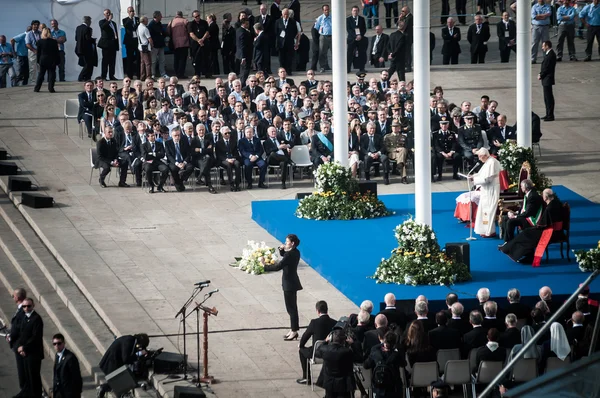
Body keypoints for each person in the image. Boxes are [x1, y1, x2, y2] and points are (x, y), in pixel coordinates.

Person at [500, 188, 563, 264]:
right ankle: (525, 255)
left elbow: (543, 224)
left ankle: (524, 255)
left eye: (542, 195)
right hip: (556, 231)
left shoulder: (549, 208)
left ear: (545, 197)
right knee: (527, 232)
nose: (542, 197)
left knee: (526, 234)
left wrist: (536, 227)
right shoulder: (557, 203)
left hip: (551, 233)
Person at [264, 234, 302, 340]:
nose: (285, 243)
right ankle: (293, 329)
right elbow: (285, 256)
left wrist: (265, 267)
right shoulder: (295, 252)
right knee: (291, 308)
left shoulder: (290, 255)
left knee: (291, 308)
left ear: (292, 243)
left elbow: (278, 266)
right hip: (292, 282)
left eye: (287, 242)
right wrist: (281, 250)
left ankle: (294, 331)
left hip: (289, 284)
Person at [297, 300, 337, 385]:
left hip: (317, 353)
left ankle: (306, 377)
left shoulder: (314, 322)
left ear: (317, 311)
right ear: (327, 310)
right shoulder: (334, 323)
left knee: (301, 350)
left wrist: (301, 345)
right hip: (332, 352)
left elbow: (305, 337)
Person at [98, 333, 150, 398]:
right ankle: (103, 388)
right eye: (142, 345)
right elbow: (126, 359)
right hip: (111, 363)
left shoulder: (131, 340)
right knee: (120, 384)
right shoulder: (129, 341)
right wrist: (140, 354)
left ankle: (103, 388)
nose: (140, 347)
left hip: (114, 362)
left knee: (120, 383)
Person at [315, 328, 361, 398]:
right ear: (343, 341)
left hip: (329, 381)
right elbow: (359, 357)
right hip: (343, 383)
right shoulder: (347, 352)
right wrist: (353, 344)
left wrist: (325, 341)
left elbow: (317, 352)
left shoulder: (325, 349)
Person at [499, 179, 544, 244]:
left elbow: (528, 212)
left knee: (511, 221)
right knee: (505, 218)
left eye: (521, 186)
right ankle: (506, 240)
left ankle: (510, 243)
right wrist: (515, 212)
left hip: (531, 219)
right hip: (526, 216)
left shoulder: (532, 196)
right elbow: (524, 208)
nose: (521, 188)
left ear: (525, 187)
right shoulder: (528, 194)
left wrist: (515, 216)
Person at [468, 148, 501, 238]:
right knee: (484, 210)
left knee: (489, 210)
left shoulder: (492, 162)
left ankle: (489, 231)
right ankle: (484, 230)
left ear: (484, 155)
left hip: (491, 190)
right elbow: (481, 174)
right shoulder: (488, 162)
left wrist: (474, 180)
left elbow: (488, 179)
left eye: (480, 156)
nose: (479, 159)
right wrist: (473, 176)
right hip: (486, 190)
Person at [15, 297, 44, 398]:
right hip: (26, 353)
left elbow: (35, 337)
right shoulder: (25, 317)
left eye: (28, 306)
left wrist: (24, 348)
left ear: (33, 306)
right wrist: (20, 346)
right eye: (24, 306)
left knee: (34, 377)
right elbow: (22, 334)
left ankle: (36, 395)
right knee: (27, 375)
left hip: (34, 353)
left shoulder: (36, 319)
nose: (26, 308)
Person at [363, 331, 405, 398]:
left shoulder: (375, 352)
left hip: (380, 387)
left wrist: (380, 344)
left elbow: (366, 365)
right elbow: (403, 363)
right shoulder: (396, 354)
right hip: (394, 388)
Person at [7, 288, 27, 392]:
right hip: (18, 343)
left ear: (18, 297)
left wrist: (11, 337)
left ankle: (24, 390)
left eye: (14, 295)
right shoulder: (20, 309)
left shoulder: (22, 310)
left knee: (22, 370)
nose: (13, 297)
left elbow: (19, 328)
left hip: (20, 345)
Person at [52, 333, 83, 398]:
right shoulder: (57, 355)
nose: (56, 346)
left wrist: (76, 393)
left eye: (59, 343)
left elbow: (76, 377)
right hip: (59, 392)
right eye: (54, 344)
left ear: (63, 343)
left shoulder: (70, 357)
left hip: (68, 394)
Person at [141, 129, 168, 193]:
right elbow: (145, 156)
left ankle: (160, 186)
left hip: (157, 162)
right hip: (148, 162)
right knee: (148, 169)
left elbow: (162, 154)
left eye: (154, 136)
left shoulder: (159, 144)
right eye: (151, 136)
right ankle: (151, 186)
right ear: (147, 137)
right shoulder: (143, 145)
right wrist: (156, 154)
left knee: (165, 169)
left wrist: (153, 154)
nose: (153, 137)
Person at [34, 28, 60, 93]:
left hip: (43, 60)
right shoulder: (54, 42)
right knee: (52, 75)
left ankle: (37, 88)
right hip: (52, 60)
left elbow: (38, 53)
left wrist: (38, 61)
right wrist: (57, 61)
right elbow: (56, 52)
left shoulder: (39, 42)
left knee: (41, 75)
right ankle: (51, 88)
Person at [275, 8, 300, 75]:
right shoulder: (278, 21)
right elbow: (276, 32)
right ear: (282, 14)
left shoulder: (293, 22)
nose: (286, 16)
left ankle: (289, 70)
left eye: (287, 14)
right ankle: (282, 71)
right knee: (281, 58)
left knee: (289, 58)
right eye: (285, 14)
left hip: (289, 42)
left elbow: (295, 32)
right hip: (281, 43)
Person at [167, 11, 190, 79]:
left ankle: (176, 73)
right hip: (184, 43)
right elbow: (189, 31)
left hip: (175, 43)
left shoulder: (171, 21)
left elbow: (168, 32)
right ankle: (181, 74)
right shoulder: (185, 21)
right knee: (183, 59)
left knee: (176, 58)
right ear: (181, 15)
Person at [98, 9, 119, 80]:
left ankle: (111, 75)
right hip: (106, 45)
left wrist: (117, 44)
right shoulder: (102, 22)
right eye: (107, 13)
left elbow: (115, 33)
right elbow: (103, 27)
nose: (108, 14)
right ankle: (103, 76)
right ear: (104, 15)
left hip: (113, 44)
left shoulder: (113, 23)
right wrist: (108, 20)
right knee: (105, 61)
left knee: (112, 61)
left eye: (109, 13)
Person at [538, 40, 556, 121]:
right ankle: (548, 114)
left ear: (547, 46)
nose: (542, 48)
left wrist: (541, 75)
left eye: (543, 46)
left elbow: (547, 68)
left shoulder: (550, 55)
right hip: (546, 79)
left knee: (548, 98)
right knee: (546, 97)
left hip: (547, 78)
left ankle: (550, 115)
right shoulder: (548, 54)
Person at [347, 6, 368, 73]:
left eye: (356, 10)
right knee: (350, 54)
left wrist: (360, 35)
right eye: (354, 10)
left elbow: (364, 28)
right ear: (352, 11)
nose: (355, 12)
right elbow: (349, 29)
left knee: (362, 53)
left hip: (360, 39)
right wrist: (355, 36)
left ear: (358, 11)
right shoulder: (348, 19)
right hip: (352, 39)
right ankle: (348, 68)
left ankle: (362, 68)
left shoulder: (362, 19)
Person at [75, 16, 96, 82]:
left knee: (86, 63)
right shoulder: (87, 28)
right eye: (90, 21)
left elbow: (76, 38)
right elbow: (88, 39)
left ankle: (86, 77)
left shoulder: (78, 28)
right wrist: (93, 40)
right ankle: (81, 77)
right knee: (88, 64)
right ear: (88, 21)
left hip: (79, 49)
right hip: (86, 49)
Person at [148, 11, 167, 79]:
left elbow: (163, 32)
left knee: (162, 60)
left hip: (161, 44)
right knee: (153, 61)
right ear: (157, 16)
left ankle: (163, 73)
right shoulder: (151, 25)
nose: (161, 17)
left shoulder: (159, 24)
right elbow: (149, 35)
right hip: (154, 45)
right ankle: (153, 74)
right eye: (160, 16)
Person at [122, 7, 140, 79]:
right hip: (129, 41)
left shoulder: (137, 19)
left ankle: (139, 74)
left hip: (137, 41)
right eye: (130, 11)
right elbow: (126, 25)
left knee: (138, 58)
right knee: (130, 58)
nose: (132, 12)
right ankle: (130, 74)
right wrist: (130, 18)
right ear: (128, 12)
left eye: (132, 11)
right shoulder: (125, 20)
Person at [235, 18, 253, 87]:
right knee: (245, 71)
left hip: (239, 54)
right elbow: (242, 45)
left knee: (242, 71)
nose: (248, 25)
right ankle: (242, 85)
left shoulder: (238, 30)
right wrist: (243, 57)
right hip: (245, 55)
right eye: (247, 24)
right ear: (243, 24)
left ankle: (242, 83)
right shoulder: (243, 32)